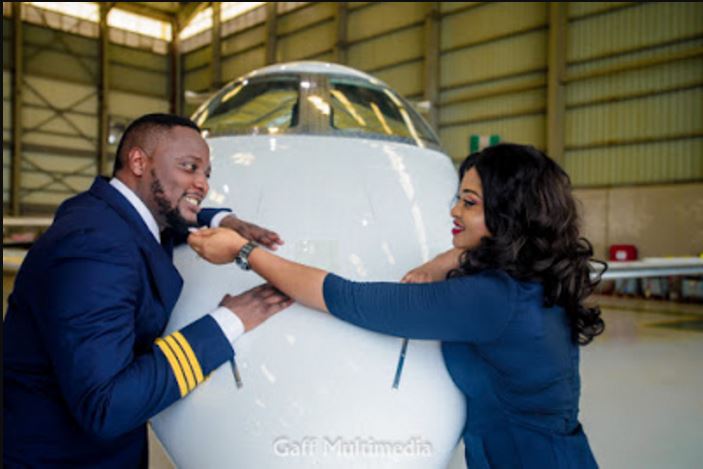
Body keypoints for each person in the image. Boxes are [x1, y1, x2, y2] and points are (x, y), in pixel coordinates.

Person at [188, 143, 606, 468]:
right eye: (459, 197)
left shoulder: (492, 298)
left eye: (471, 203)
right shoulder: (534, 270)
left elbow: (348, 298)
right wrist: (443, 260)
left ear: (511, 216)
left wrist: (245, 253)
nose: (455, 211)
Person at [3, 113, 292, 467]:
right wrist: (228, 321)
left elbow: (162, 225)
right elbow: (106, 406)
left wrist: (220, 219)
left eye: (206, 174)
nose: (202, 184)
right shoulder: (95, 248)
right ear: (138, 161)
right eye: (189, 167)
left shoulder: (105, 212)